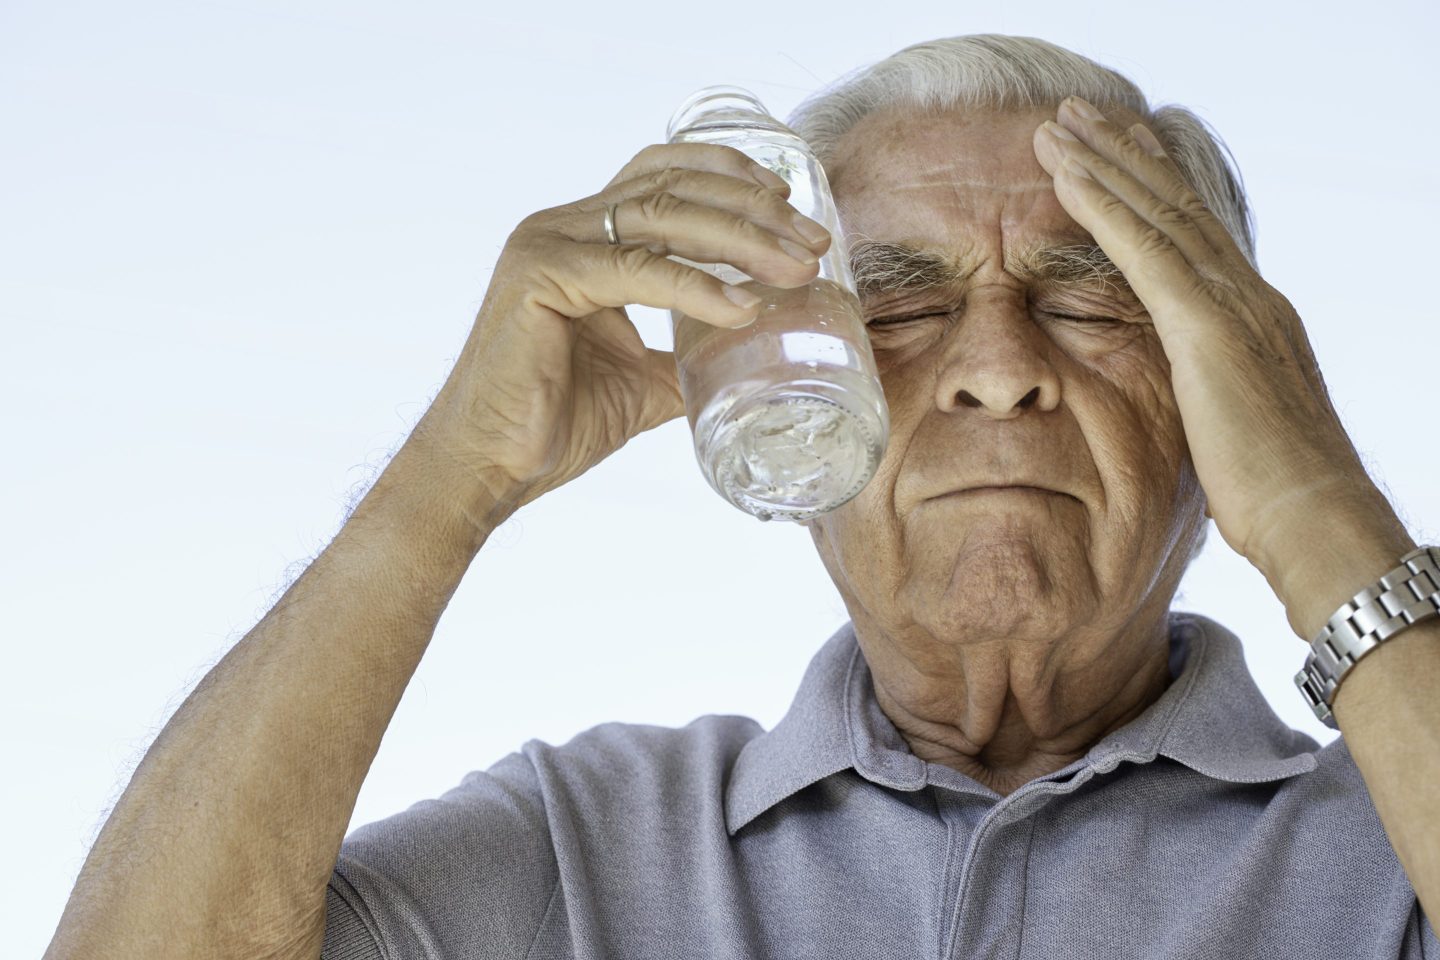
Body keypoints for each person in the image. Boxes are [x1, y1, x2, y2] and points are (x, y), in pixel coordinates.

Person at [43, 34, 1438, 960]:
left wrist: (1321, 504)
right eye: (897, 307)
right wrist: (451, 477)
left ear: (1227, 390)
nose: (998, 372)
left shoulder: (1392, 849)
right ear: (788, 379)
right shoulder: (588, 847)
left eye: (1091, 297)